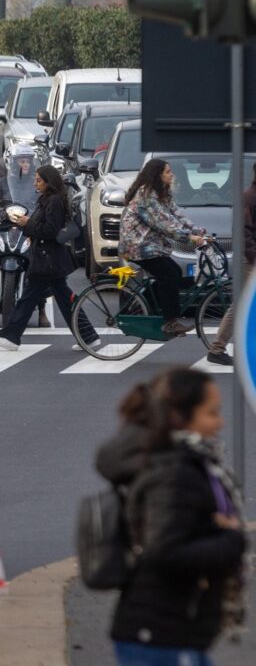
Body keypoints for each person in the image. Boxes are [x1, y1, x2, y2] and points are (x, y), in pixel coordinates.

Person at [95, 367, 246, 666]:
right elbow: (165, 550)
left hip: (165, 631)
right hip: (163, 635)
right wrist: (231, 540)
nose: (221, 422)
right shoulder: (176, 472)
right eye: (212, 413)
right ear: (181, 416)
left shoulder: (179, 461)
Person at [0, 164, 98, 351]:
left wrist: (27, 223)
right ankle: (88, 337)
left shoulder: (54, 201)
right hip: (49, 260)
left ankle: (11, 336)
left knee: (28, 299)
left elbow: (50, 230)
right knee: (64, 301)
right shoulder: (49, 199)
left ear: (49, 182)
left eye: (39, 180)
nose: (35, 183)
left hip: (47, 259)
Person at [119, 158, 207, 338]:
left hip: (151, 245)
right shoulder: (145, 195)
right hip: (138, 246)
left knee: (174, 271)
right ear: (158, 175)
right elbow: (163, 222)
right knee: (168, 274)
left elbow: (176, 214)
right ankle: (170, 321)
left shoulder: (162, 193)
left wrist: (199, 231)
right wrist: (188, 237)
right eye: (168, 172)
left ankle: (147, 308)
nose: (172, 174)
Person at [0, 145, 50, 328]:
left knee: (41, 258)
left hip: (30, 224)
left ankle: (41, 309)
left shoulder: (36, 182)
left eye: (27, 161)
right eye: (21, 160)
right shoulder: (2, 182)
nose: (25, 164)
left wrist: (37, 216)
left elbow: (42, 202)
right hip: (7, 223)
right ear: (13, 163)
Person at [205, 160, 256, 365]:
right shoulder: (249, 198)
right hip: (250, 259)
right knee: (242, 304)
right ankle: (217, 348)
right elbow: (243, 232)